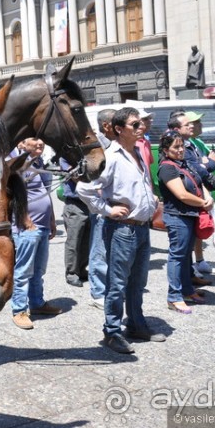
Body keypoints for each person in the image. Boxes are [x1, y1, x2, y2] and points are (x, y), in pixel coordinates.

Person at [78, 107, 164, 354]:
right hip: (122, 229)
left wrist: (151, 199)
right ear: (118, 129)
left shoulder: (137, 151)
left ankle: (136, 325)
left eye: (141, 123)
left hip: (141, 228)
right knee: (117, 284)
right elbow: (85, 189)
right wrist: (106, 210)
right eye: (135, 125)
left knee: (137, 282)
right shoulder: (112, 156)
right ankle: (112, 331)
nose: (142, 128)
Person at [157, 131, 213, 315]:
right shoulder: (166, 168)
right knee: (177, 257)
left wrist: (208, 196)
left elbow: (198, 182)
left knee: (185, 257)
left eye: (181, 146)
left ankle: (187, 291)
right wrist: (203, 203)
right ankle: (174, 297)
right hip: (177, 216)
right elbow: (181, 194)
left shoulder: (183, 163)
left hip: (189, 215)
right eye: (176, 147)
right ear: (166, 150)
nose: (181, 150)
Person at [8, 138, 62, 330]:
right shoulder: (13, 162)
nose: (40, 143)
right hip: (26, 227)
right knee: (23, 271)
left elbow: (45, 192)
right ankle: (19, 310)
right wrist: (24, 218)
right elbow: (8, 194)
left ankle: (37, 303)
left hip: (43, 224)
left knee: (39, 269)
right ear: (22, 143)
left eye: (42, 140)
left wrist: (52, 219)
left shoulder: (39, 162)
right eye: (34, 139)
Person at [184, 110, 215, 274]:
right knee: (191, 230)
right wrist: (209, 163)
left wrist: (208, 163)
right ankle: (191, 267)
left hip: (202, 189)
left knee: (199, 228)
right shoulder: (185, 144)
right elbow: (200, 167)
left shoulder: (196, 142)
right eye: (197, 122)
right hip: (193, 192)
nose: (201, 125)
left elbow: (210, 163)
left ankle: (199, 261)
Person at [87, 109, 116, 309]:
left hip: (116, 208)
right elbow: (87, 183)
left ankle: (108, 286)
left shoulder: (116, 145)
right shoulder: (98, 146)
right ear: (107, 125)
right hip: (103, 208)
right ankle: (98, 291)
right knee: (99, 249)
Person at [59, 157, 90, 287]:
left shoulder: (88, 155)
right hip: (75, 203)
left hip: (89, 203)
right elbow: (75, 176)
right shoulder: (65, 158)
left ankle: (82, 269)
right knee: (74, 240)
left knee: (86, 241)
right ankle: (71, 273)